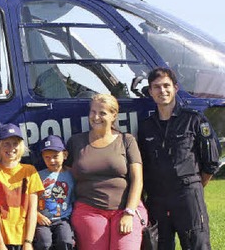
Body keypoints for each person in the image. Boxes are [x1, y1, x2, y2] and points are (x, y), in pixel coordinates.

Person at [138, 67, 220, 250]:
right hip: (157, 199)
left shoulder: (194, 120)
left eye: (166, 85)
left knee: (196, 245)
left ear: (175, 88)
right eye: (156, 87)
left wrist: (192, 186)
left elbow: (210, 162)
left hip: (188, 196)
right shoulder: (145, 127)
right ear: (150, 92)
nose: (162, 91)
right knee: (157, 246)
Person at [66, 94, 146, 250]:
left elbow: (138, 180)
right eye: (92, 112)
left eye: (102, 113)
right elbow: (66, 177)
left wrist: (129, 212)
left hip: (125, 209)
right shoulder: (75, 142)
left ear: (114, 115)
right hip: (88, 211)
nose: (96, 117)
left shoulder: (127, 140)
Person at [0, 123, 43, 250]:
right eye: (6, 143)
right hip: (1, 240)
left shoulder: (30, 171)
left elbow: (32, 210)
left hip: (24, 239)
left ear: (21, 146)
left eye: (15, 143)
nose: (11, 148)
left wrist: (28, 241)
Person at [34, 135, 75, 250]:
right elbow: (29, 199)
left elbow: (74, 199)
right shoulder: (37, 175)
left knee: (65, 240)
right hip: (42, 219)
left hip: (63, 219)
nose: (51, 160)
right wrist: (37, 215)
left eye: (55, 156)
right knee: (44, 242)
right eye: (47, 157)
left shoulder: (71, 174)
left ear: (65, 155)